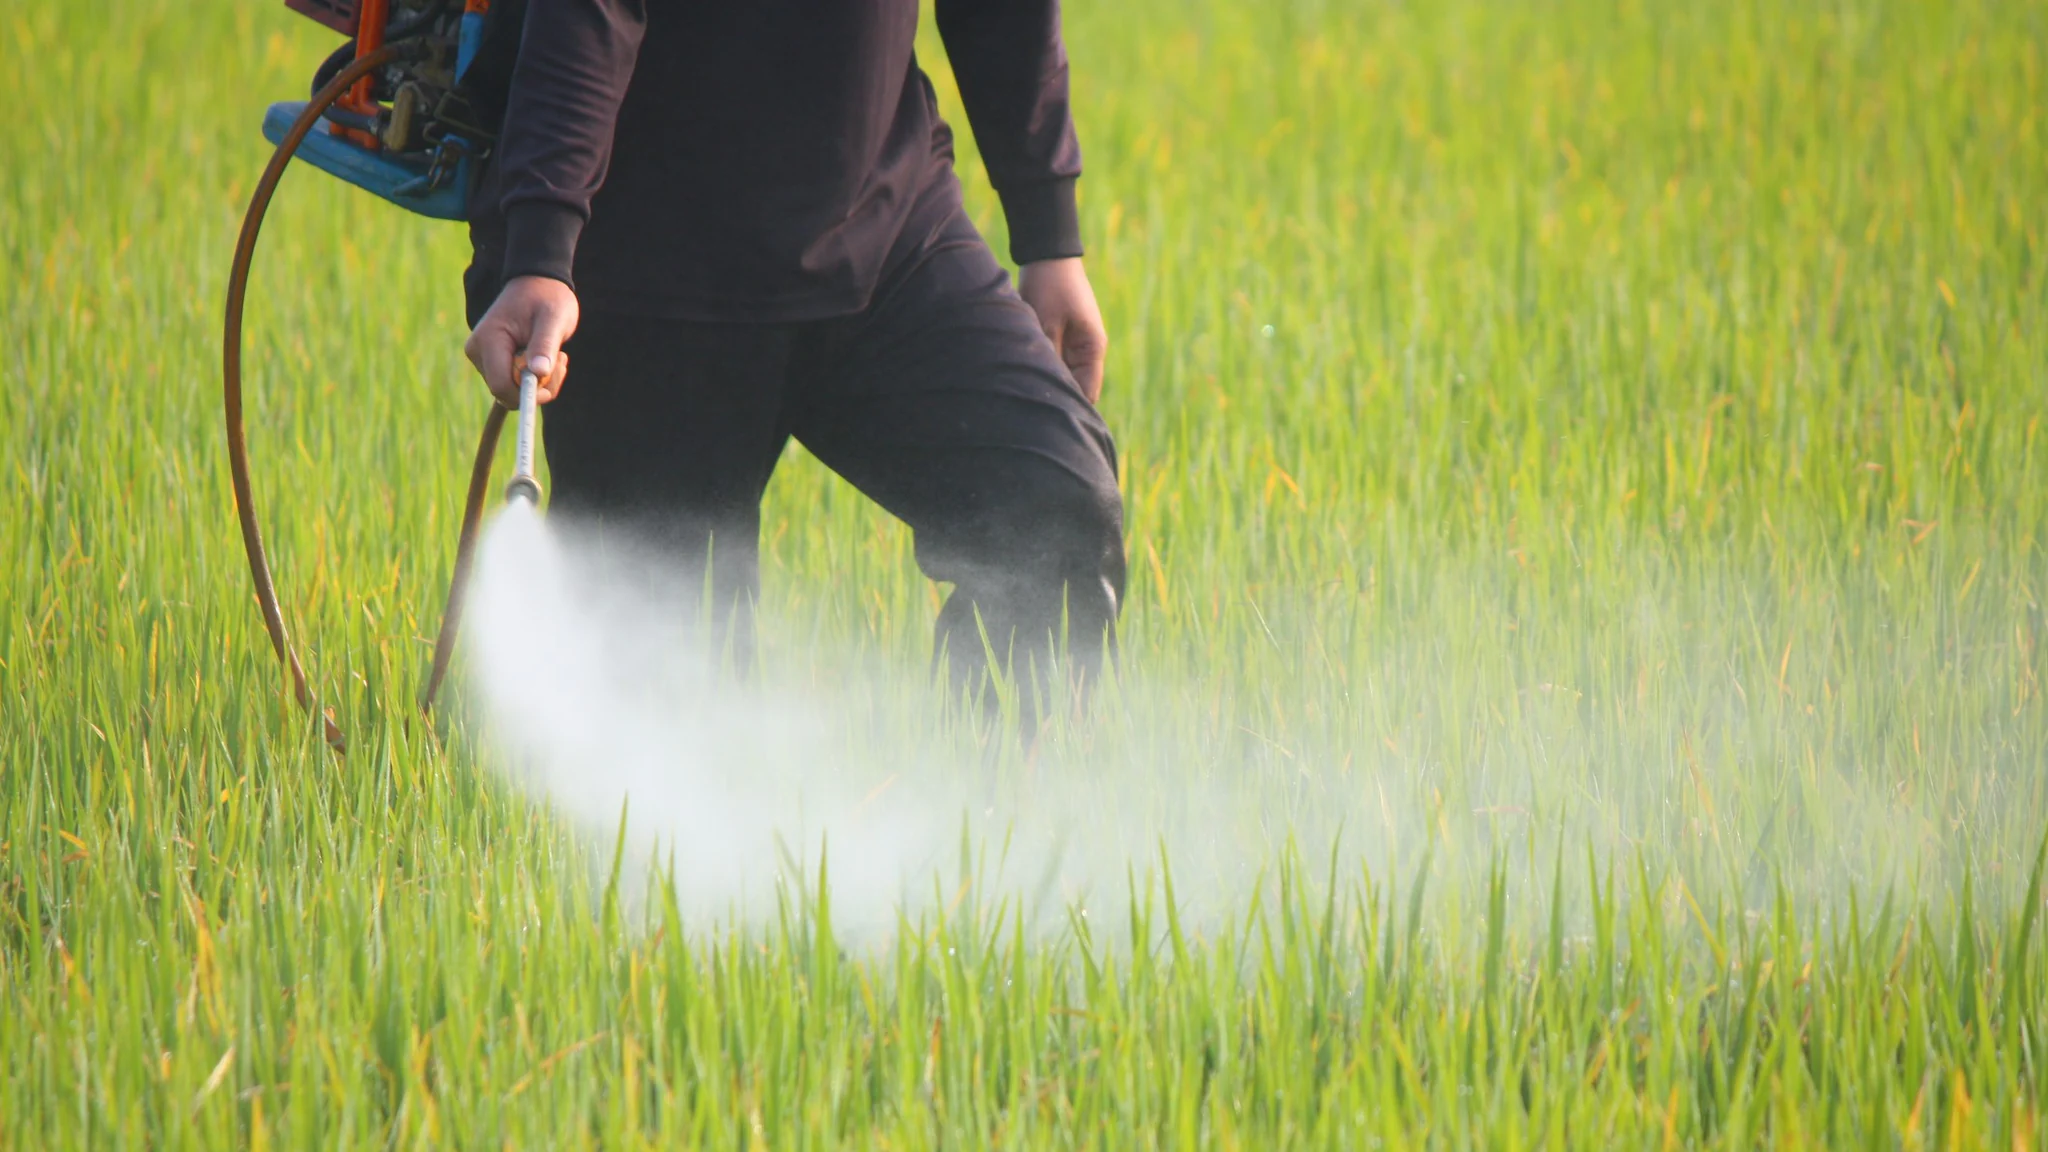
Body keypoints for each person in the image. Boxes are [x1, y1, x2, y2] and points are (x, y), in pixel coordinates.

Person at [460, 1, 1125, 719]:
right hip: (646, 271)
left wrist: (1049, 233)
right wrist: (542, 253)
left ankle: (990, 819)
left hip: (885, 226)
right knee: (672, 702)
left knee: (1055, 513)